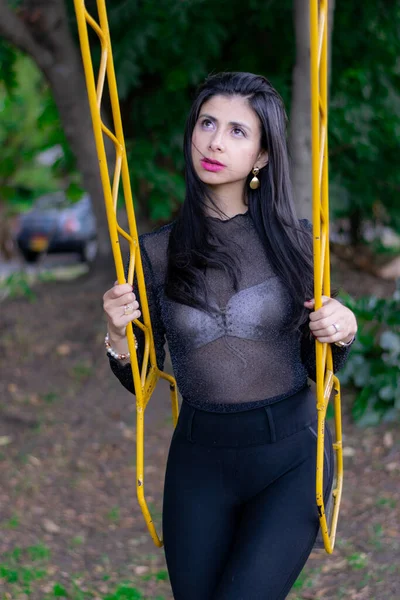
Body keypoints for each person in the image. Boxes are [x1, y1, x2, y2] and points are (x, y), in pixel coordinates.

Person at [103, 72, 357, 600]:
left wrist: (343, 328)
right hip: (199, 463)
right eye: (207, 123)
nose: (216, 141)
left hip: (289, 459)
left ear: (262, 156)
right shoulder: (153, 253)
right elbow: (144, 376)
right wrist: (116, 334)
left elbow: (321, 366)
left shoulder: (297, 243)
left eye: (239, 132)